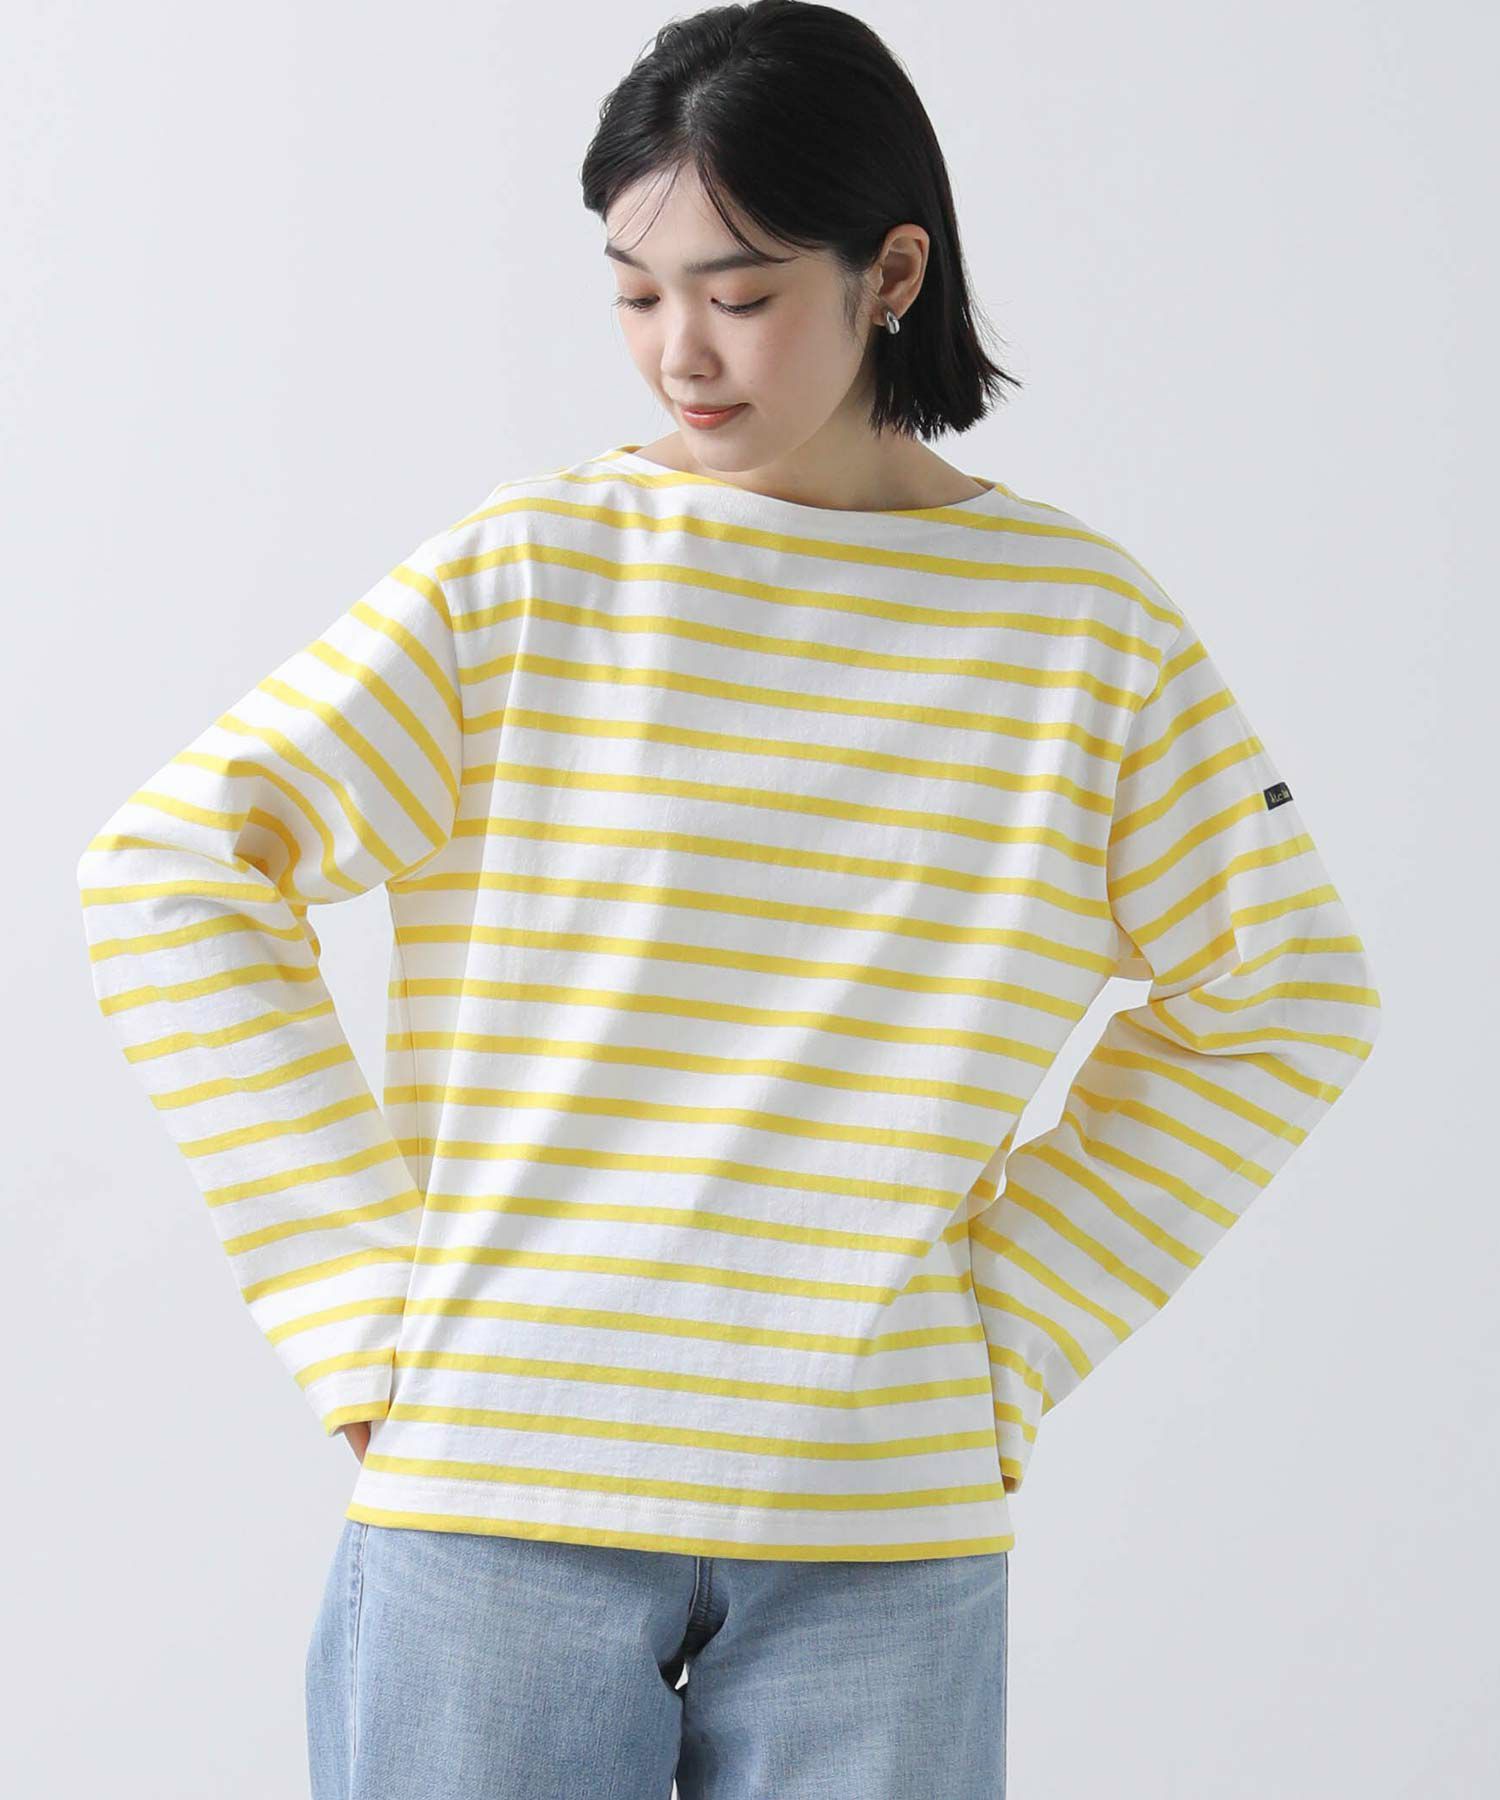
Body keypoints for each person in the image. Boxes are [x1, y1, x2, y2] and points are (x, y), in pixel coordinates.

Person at [75, 4, 1382, 1796]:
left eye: (740, 293)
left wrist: (1005, 1333)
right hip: (498, 1492)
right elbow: (173, 870)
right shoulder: (527, 577)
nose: (677, 354)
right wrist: (355, 1294)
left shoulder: (1087, 635)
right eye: (634, 292)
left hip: (876, 1526)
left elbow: (1286, 992)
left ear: (892, 271)